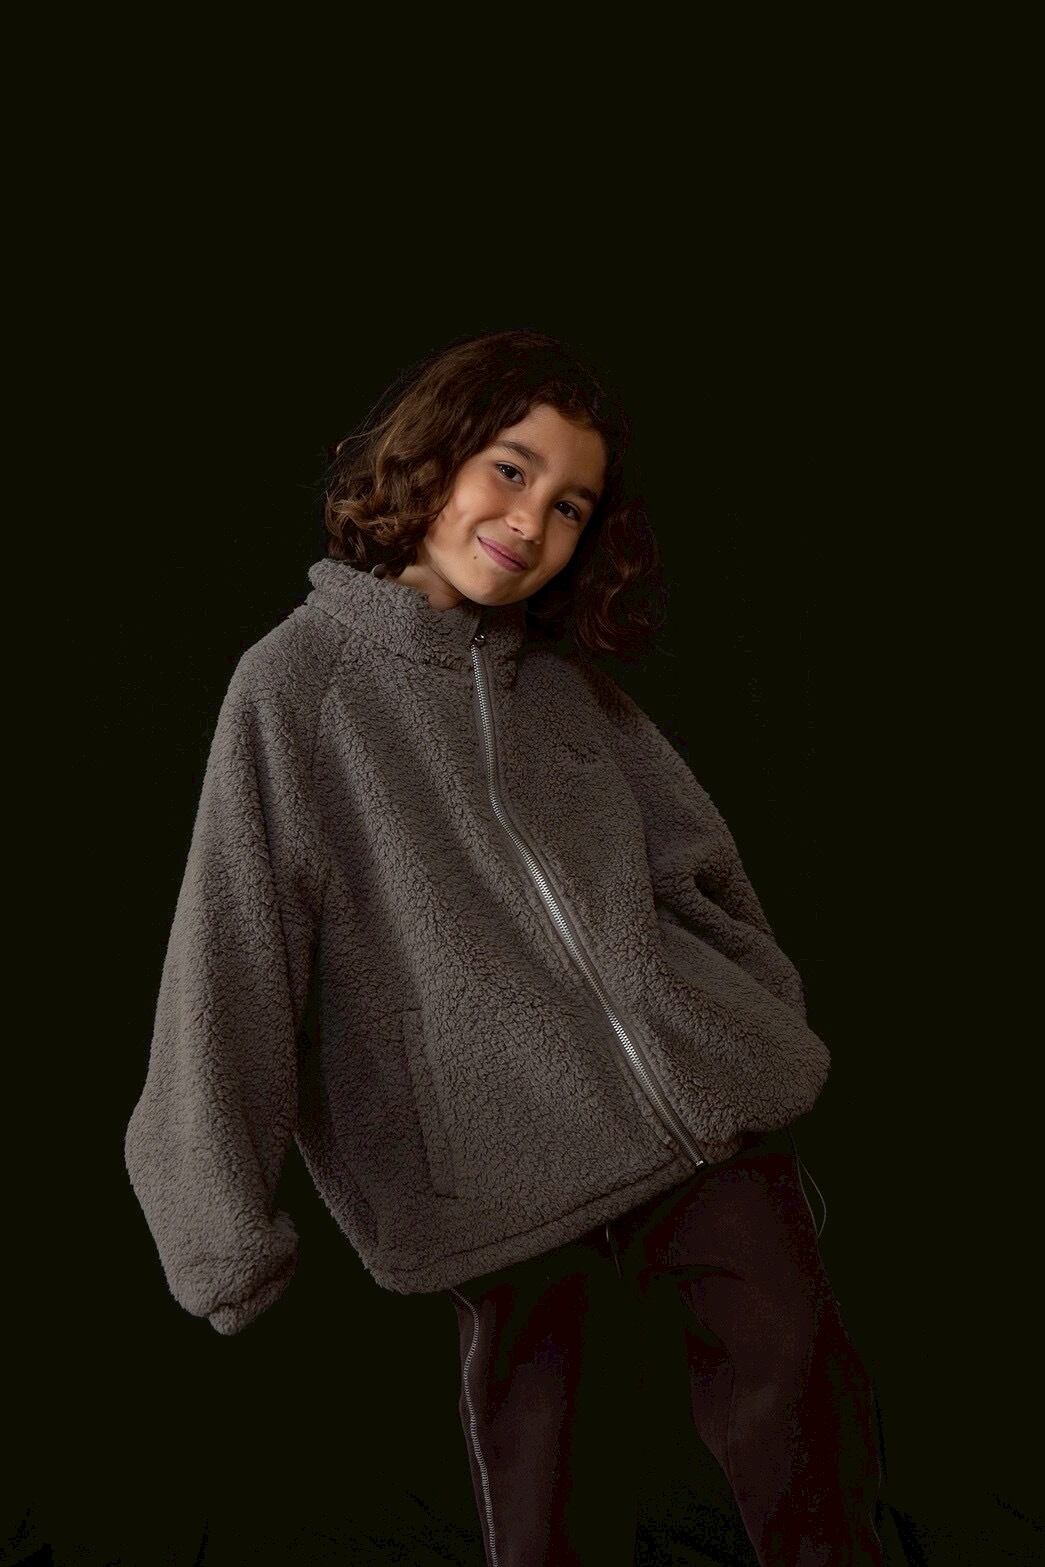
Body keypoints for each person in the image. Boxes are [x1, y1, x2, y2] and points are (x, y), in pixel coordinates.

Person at [124, 328, 886, 1564]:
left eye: (571, 504)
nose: (532, 521)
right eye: (511, 469)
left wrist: (744, 1015)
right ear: (432, 457)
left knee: (801, 1391)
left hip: (693, 1114)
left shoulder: (566, 688)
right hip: (490, 1159)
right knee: (548, 1481)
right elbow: (232, 951)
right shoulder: (296, 685)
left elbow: (700, 871)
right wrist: (215, 1223)